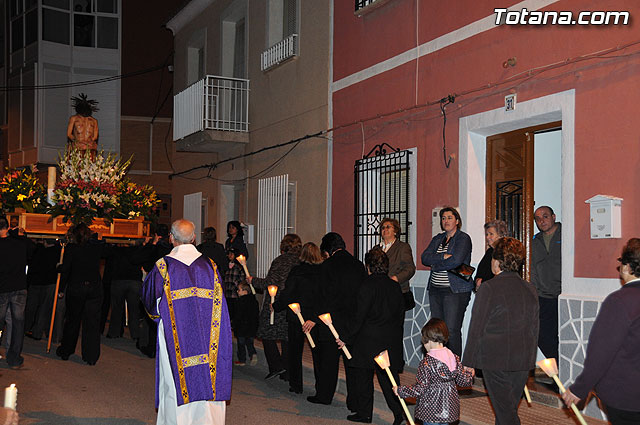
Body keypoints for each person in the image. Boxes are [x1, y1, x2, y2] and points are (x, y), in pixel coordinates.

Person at [141, 219, 232, 425]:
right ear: (193, 238)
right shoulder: (210, 266)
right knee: (207, 374)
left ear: (172, 238)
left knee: (174, 380)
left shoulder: (163, 267)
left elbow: (148, 299)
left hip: (176, 334)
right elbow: (222, 299)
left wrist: (160, 317)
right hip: (209, 333)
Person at [561, 238, 640, 425]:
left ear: (627, 267)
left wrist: (579, 388)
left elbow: (601, 352)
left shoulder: (620, 301)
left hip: (626, 394)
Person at [463, 237, 539, 425]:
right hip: (521, 361)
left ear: (496, 261)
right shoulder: (530, 289)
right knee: (507, 410)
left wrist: (468, 362)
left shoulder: (489, 288)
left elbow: (477, 327)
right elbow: (534, 328)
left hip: (494, 360)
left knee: (506, 414)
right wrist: (530, 361)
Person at [338, 247, 405, 424]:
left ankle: (364, 413)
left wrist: (345, 337)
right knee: (389, 380)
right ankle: (399, 413)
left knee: (363, 378)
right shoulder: (395, 286)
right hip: (389, 340)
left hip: (368, 340)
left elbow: (359, 316)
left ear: (369, 266)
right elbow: (400, 316)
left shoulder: (366, 286)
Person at [307, 232, 366, 408]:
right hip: (352, 322)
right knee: (351, 363)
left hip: (330, 321)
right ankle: (354, 402)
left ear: (327, 250)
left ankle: (324, 396)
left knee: (329, 363)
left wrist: (315, 318)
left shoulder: (327, 266)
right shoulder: (358, 265)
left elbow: (322, 296)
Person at [395, 318, 474, 425]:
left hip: (430, 411)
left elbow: (420, 388)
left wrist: (401, 390)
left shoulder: (427, 362)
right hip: (448, 410)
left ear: (429, 340)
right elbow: (463, 382)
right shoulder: (454, 357)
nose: (423, 344)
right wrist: (469, 373)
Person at [247, 234, 302, 381]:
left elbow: (271, 282)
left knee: (266, 333)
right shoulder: (301, 261)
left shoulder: (281, 261)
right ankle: (287, 370)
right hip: (293, 303)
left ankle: (276, 365)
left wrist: (253, 281)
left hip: (275, 301)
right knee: (286, 337)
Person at [56, 223, 112, 365]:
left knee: (72, 321)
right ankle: (91, 357)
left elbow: (66, 269)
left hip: (77, 288)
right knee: (92, 323)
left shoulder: (72, 248)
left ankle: (66, 351)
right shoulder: (96, 247)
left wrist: (61, 288)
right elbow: (107, 251)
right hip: (94, 288)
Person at [421, 206, 473, 356]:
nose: (446, 221)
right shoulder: (438, 239)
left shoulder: (463, 238)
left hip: (455, 290)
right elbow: (425, 258)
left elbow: (456, 261)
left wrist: (435, 262)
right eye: (443, 218)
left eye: (450, 217)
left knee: (451, 330)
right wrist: (443, 257)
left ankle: (455, 368)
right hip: (435, 289)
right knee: (437, 330)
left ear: (457, 221)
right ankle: (440, 364)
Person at [273, 242, 323, 395]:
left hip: (296, 316)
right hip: (315, 317)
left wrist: (276, 306)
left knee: (295, 352)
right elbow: (324, 295)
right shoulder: (322, 272)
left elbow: (288, 293)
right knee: (317, 353)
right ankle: (320, 388)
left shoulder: (297, 271)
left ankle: (296, 385)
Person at [0, 217, 35, 368]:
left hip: (2, 289)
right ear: (8, 227)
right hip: (19, 288)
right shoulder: (21, 243)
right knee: (18, 324)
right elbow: (33, 248)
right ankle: (14, 358)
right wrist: (19, 235)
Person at [531, 206, 561, 363]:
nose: (541, 221)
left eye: (545, 216)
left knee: (564, 335)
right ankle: (558, 370)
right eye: (537, 218)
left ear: (554, 216)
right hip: (543, 296)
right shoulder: (535, 241)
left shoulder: (566, 235)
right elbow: (533, 269)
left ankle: (567, 375)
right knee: (541, 335)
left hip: (562, 295)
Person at [106, 241, 152, 340]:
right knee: (134, 310)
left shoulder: (115, 250)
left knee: (116, 309)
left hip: (118, 280)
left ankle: (114, 332)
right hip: (134, 281)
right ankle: (135, 334)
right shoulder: (137, 250)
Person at [25, 239, 61, 341]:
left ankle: (27, 328)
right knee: (44, 310)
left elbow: (32, 266)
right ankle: (39, 332)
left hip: (36, 282)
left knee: (31, 308)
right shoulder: (58, 251)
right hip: (50, 282)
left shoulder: (38, 250)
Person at [379, 218, 416, 310]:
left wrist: (396, 278)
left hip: (396, 291)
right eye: (383, 228)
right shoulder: (377, 249)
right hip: (380, 292)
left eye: (388, 227)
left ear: (395, 231)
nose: (385, 229)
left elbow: (410, 268)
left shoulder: (402, 247)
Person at [474, 220, 508, 290]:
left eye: (491, 234)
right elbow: (480, 272)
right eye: (487, 234)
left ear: (500, 235)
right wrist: (477, 281)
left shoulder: (506, 253)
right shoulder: (489, 252)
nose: (487, 237)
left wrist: (481, 282)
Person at [233, 282, 259, 367]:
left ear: (245, 291)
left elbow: (238, 314)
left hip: (242, 326)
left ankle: (242, 360)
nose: (237, 291)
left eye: (239, 290)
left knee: (241, 344)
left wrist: (234, 323)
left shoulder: (240, 301)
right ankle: (253, 354)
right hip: (251, 326)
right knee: (250, 342)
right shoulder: (254, 301)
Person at [67, 93, 99, 158]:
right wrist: (77, 141)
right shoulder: (74, 118)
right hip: (77, 146)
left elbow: (95, 137)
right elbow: (69, 134)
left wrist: (88, 142)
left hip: (89, 147)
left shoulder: (94, 121)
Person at [223, 248, 246, 330]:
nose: (229, 256)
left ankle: (234, 325)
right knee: (229, 311)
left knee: (235, 310)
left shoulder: (238, 267)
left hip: (235, 293)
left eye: (231, 254)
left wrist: (236, 284)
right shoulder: (226, 266)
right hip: (227, 293)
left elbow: (242, 279)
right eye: (229, 254)